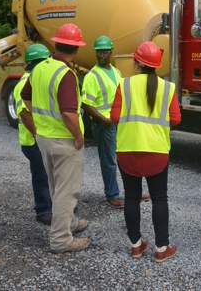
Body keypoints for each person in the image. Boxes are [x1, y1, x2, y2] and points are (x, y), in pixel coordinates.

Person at [21, 23, 90, 254]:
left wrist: (40, 124)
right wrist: (79, 137)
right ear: (76, 49)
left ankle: (69, 223)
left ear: (55, 43)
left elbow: (25, 97)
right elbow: (69, 113)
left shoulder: (40, 67)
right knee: (67, 191)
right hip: (64, 140)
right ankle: (61, 239)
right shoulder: (66, 74)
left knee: (55, 185)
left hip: (44, 139)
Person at [110, 42, 181, 263]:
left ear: (137, 63)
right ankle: (161, 247)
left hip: (128, 149)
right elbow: (176, 118)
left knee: (131, 198)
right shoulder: (167, 87)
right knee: (159, 198)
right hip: (157, 150)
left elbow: (114, 117)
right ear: (156, 66)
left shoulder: (124, 84)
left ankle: (136, 246)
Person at [81, 36, 150, 209]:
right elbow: (86, 104)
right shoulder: (92, 76)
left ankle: (133, 192)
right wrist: (104, 120)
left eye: (105, 51)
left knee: (126, 157)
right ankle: (112, 195)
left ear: (111, 52)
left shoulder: (115, 71)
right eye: (98, 51)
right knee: (109, 160)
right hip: (105, 124)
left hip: (118, 121)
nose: (101, 55)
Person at [14, 44, 52, 225]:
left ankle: (53, 206)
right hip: (32, 140)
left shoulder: (36, 79)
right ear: (36, 63)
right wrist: (38, 136)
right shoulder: (25, 83)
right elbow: (24, 113)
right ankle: (43, 210)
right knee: (41, 175)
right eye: (45, 61)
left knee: (48, 173)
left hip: (39, 139)